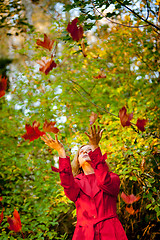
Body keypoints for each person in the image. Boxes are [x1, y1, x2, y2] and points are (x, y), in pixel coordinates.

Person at [41, 125, 128, 240]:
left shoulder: (112, 177)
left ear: (96, 156)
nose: (85, 152)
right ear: (78, 161)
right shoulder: (76, 183)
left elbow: (103, 182)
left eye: (89, 150)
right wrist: (61, 151)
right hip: (84, 234)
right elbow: (67, 185)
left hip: (110, 231)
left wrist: (95, 146)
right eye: (81, 152)